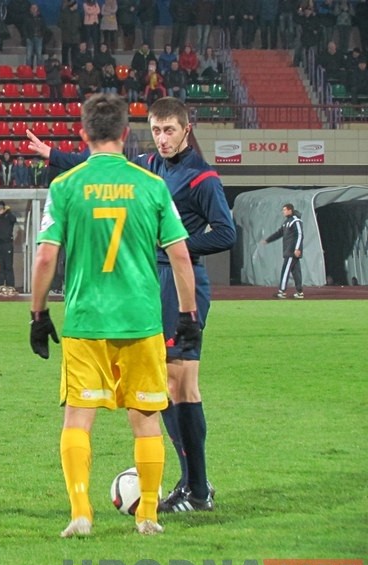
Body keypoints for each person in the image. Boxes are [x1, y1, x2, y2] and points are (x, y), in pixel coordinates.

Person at [26, 96, 236, 514]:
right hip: (153, 281)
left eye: (170, 130)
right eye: (156, 130)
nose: (163, 138)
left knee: (180, 385)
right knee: (169, 387)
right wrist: (53, 154)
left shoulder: (202, 178)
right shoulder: (149, 168)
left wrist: (173, 244)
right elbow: (99, 164)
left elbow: (226, 234)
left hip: (180, 282)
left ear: (186, 130)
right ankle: (192, 485)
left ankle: (197, 487)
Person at [262, 203, 304, 299]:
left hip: (291, 251)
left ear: (290, 210)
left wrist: (297, 248)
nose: (283, 212)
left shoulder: (296, 221)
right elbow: (279, 233)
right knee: (296, 272)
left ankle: (282, 291)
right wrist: (268, 240)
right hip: (288, 250)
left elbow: (300, 235)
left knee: (285, 270)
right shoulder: (286, 222)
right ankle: (299, 292)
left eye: (284, 210)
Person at [23, 3, 46, 68]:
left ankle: (39, 69)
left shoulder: (41, 18)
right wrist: (27, 37)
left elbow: (44, 27)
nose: (33, 9)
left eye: (35, 8)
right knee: (29, 55)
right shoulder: (27, 18)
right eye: (32, 8)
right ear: (30, 9)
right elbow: (24, 28)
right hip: (30, 38)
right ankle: (28, 69)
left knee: (39, 55)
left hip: (39, 38)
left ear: (37, 9)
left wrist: (42, 35)